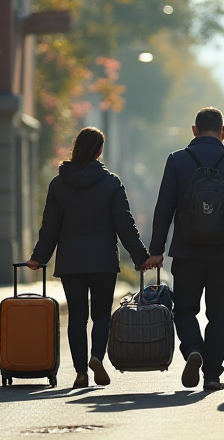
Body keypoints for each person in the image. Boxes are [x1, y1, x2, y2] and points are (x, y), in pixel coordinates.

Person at [144, 107, 224, 392]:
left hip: (186, 251)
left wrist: (156, 249)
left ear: (194, 131)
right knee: (219, 315)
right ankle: (212, 374)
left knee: (184, 308)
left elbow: (164, 208)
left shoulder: (177, 160)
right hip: (223, 254)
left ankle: (193, 348)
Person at [27, 127, 150, 389]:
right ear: (99, 151)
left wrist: (39, 257)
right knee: (101, 316)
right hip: (103, 260)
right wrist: (140, 257)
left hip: (71, 261)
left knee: (77, 316)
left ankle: (81, 372)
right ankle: (97, 357)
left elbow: (50, 227)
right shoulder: (111, 183)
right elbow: (124, 224)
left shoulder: (59, 184)